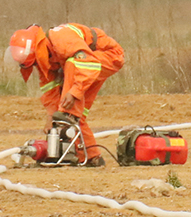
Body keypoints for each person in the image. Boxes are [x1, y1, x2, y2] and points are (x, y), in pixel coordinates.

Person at [7, 23, 126, 167]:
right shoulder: (44, 59)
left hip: (108, 56)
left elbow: (86, 63)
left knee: (69, 109)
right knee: (75, 116)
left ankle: (69, 124)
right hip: (89, 66)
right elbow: (50, 91)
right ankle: (91, 157)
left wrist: (74, 92)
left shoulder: (60, 38)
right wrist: (51, 116)